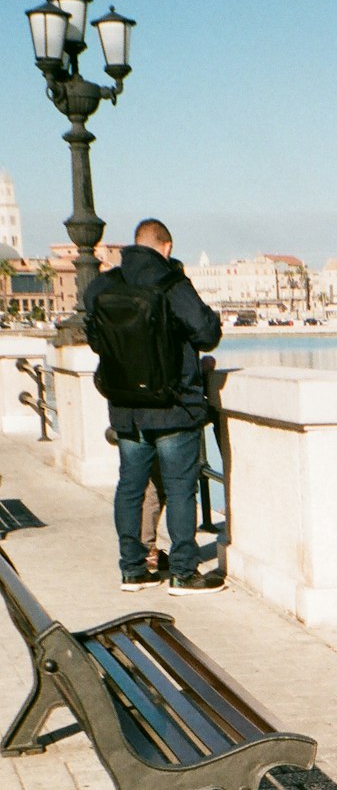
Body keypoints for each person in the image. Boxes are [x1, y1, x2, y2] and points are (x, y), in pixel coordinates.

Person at [85, 218, 225, 594]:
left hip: (127, 406)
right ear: (166, 246)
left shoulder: (105, 283)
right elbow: (207, 334)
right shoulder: (171, 283)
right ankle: (183, 572)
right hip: (173, 405)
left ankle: (132, 570)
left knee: (130, 487)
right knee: (181, 488)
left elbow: (94, 335)